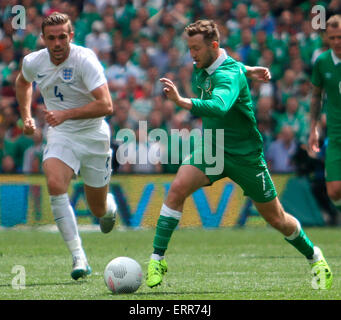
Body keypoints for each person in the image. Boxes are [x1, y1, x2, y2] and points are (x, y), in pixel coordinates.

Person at [146, 20, 332, 290]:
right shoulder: (211, 64)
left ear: (213, 46)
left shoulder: (228, 74)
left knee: (276, 218)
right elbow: (233, 65)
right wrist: (250, 70)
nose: (192, 54)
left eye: (196, 48)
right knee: (176, 189)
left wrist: (181, 101)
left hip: (246, 156)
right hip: (213, 148)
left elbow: (220, 106)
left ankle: (315, 257)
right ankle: (156, 259)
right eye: (189, 48)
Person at [15, 12, 117, 280]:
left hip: (94, 136)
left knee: (98, 209)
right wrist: (26, 116)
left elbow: (106, 105)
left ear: (71, 36)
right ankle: (78, 256)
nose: (58, 43)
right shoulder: (34, 61)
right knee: (55, 183)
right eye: (52, 38)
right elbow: (23, 82)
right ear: (43, 39)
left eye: (63, 37)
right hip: (61, 135)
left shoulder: (85, 59)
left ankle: (110, 208)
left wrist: (65, 113)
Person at [308, 14, 341, 212]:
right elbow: (315, 97)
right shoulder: (322, 62)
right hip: (336, 136)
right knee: (334, 191)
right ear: (326, 38)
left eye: (340, 37)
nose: (337, 41)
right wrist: (314, 129)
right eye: (333, 37)